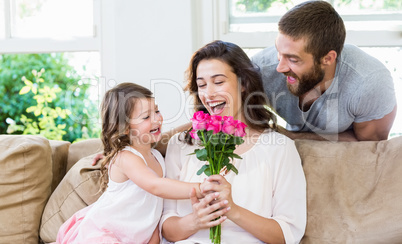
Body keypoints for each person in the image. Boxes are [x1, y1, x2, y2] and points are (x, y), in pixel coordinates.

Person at [161, 40, 306, 243]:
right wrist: (196, 220)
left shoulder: (279, 149)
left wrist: (231, 209)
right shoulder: (181, 144)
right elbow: (166, 229)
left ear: (244, 84)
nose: (208, 94)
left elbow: (287, 234)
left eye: (219, 82)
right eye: (201, 85)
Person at [54, 82, 207, 244]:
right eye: (147, 117)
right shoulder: (126, 157)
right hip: (106, 234)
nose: (157, 119)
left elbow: (154, 212)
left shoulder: (157, 156)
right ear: (125, 128)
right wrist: (201, 188)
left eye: (157, 111)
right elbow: (156, 186)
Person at [251, 0, 397, 142]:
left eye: (293, 60)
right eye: (278, 51)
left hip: (346, 157)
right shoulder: (259, 69)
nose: (280, 67)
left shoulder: (370, 82)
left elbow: (369, 146)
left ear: (327, 58)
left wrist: (294, 138)